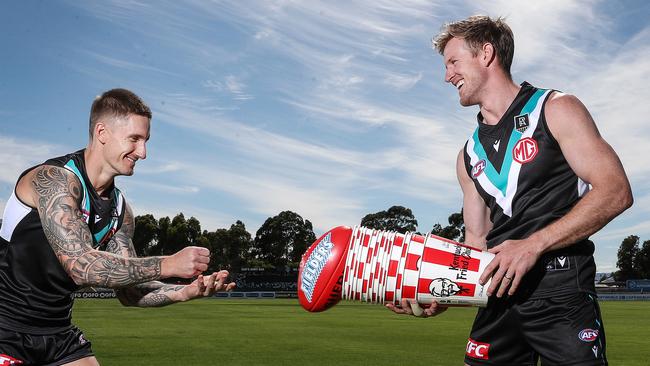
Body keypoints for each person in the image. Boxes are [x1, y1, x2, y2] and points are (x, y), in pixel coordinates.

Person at [387, 15, 632, 365]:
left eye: (454, 62)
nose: (447, 76)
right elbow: (476, 244)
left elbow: (616, 191)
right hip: (497, 297)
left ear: (486, 54)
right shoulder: (468, 155)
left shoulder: (556, 108)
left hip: (560, 289)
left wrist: (534, 245)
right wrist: (442, 292)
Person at [0, 89, 236, 365]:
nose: (143, 152)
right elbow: (81, 266)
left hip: (57, 332)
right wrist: (168, 264)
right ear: (102, 133)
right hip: (5, 329)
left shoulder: (120, 212)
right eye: (134, 139)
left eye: (146, 141)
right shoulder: (54, 180)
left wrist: (186, 291)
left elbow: (131, 291)